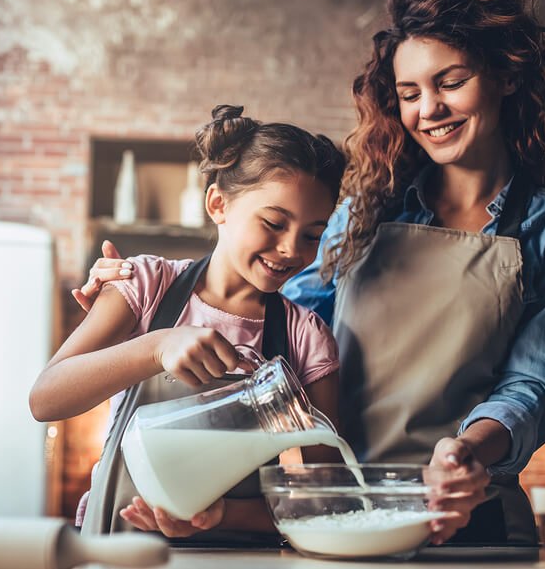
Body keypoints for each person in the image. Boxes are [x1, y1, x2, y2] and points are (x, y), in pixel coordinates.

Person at [74, 0, 545, 546]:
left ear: (501, 77)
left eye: (452, 82)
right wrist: (153, 294)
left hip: (468, 517)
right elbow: (269, 327)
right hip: (346, 516)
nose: (430, 108)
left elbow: (533, 384)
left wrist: (467, 452)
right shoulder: (363, 213)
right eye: (409, 93)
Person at [30, 104, 347, 541]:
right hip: (119, 543)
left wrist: (221, 517)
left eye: (312, 234)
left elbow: (321, 497)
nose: (292, 249)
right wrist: (157, 346)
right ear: (218, 203)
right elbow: (45, 400)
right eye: (274, 222)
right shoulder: (146, 285)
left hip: (236, 550)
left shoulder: (305, 338)